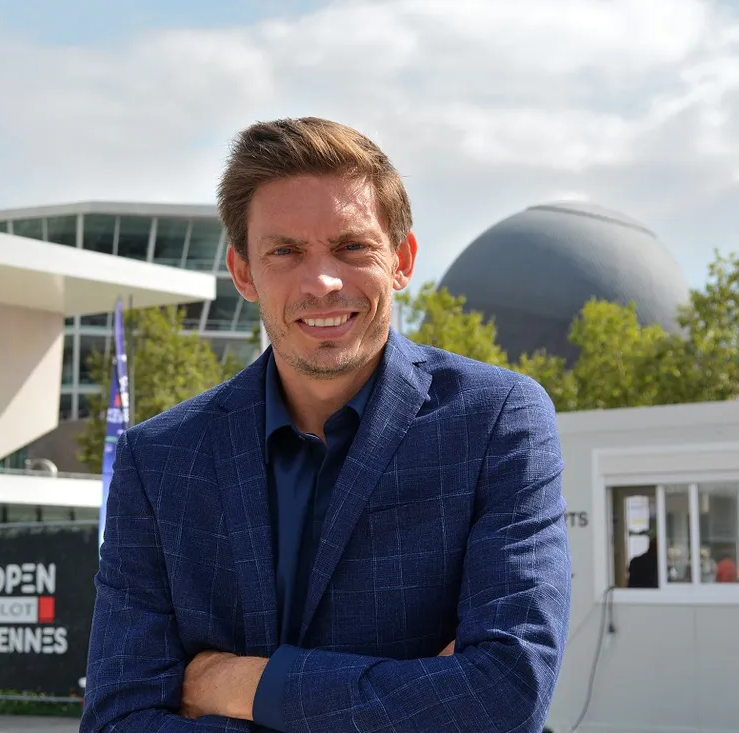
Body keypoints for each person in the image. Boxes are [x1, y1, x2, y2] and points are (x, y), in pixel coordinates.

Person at [80, 117, 572, 732]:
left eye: (352, 246)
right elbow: (116, 722)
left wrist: (244, 685)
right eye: (285, 252)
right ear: (242, 272)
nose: (322, 282)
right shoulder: (159, 460)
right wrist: (416, 699)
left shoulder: (496, 421)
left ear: (402, 259)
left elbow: (506, 695)